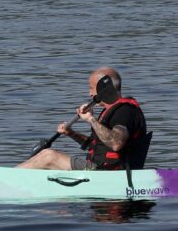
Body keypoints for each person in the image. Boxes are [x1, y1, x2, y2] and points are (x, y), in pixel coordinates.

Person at [17, 67, 148, 170]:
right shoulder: (112, 110)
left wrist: (91, 119)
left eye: (92, 88)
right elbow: (97, 146)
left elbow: (116, 143)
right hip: (102, 169)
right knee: (45, 159)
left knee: (48, 156)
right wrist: (71, 134)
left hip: (108, 172)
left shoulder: (124, 111)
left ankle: (6, 179)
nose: (90, 93)